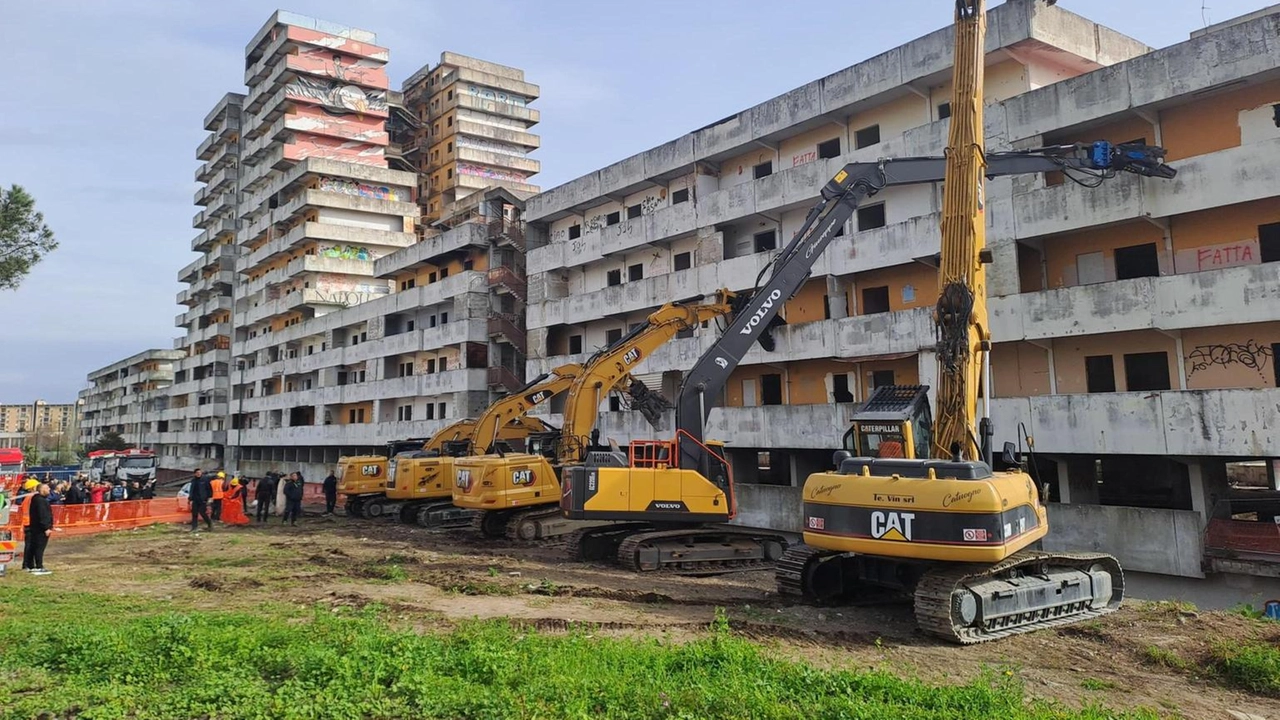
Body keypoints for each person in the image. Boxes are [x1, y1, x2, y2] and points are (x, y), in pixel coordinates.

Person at [22, 482, 55, 575]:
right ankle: (37, 566)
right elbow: (42, 515)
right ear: (41, 490)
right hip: (37, 528)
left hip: (33, 526)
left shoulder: (36, 499)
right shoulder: (39, 500)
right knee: (38, 547)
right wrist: (46, 527)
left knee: (33, 547)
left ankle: (31, 565)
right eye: (47, 488)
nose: (49, 490)